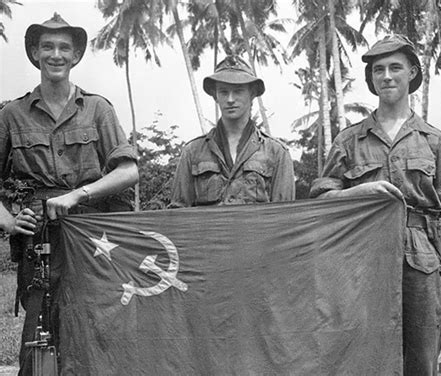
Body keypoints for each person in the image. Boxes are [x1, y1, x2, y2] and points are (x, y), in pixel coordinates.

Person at [309, 34, 441, 375]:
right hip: (359, 260)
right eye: (378, 69)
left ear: (412, 73)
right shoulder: (348, 141)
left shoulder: (434, 141)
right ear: (371, 79)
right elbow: (322, 202)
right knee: (359, 355)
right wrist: (362, 192)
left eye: (395, 67)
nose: (386, 76)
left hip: (420, 259)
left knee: (421, 359)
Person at [0, 13, 138, 375]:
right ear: (35, 53)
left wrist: (78, 196)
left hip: (93, 236)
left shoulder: (97, 109)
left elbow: (128, 171)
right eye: (47, 46)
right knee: (39, 333)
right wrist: (11, 222)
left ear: (76, 55)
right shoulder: (12, 115)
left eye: (64, 47)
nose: (56, 54)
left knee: (97, 325)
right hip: (40, 239)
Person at [170, 55, 294, 207]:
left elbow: (285, 217)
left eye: (238, 91)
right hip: (207, 230)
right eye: (223, 92)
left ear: (252, 94)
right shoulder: (192, 152)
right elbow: (178, 215)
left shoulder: (276, 153)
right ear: (215, 96)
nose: (230, 99)